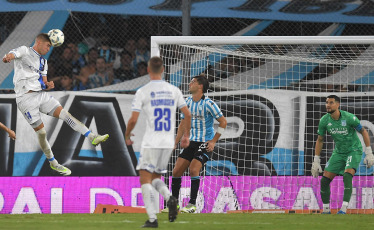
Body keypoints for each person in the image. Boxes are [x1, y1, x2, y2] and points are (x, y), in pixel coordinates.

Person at [2, 33, 109, 176]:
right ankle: (53, 163)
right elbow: (12, 54)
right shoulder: (25, 51)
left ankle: (92, 137)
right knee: (42, 133)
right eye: (47, 45)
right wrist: (8, 57)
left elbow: (44, 82)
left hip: (40, 95)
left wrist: (48, 84)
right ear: (39, 42)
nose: (48, 49)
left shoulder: (43, 62)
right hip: (25, 99)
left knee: (65, 114)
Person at [125, 56, 191, 228]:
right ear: (163, 70)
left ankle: (153, 219)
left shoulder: (143, 91)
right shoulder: (174, 90)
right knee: (156, 177)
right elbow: (187, 114)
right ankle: (170, 198)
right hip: (168, 142)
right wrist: (186, 136)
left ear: (148, 70)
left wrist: (127, 134)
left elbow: (133, 119)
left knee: (144, 178)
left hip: (152, 141)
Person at [166, 74, 227, 213]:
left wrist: (213, 141)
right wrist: (176, 142)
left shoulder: (209, 104)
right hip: (191, 142)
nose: (189, 84)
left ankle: (192, 204)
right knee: (176, 171)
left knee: (193, 169)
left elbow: (223, 122)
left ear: (200, 86)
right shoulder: (187, 101)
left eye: (192, 82)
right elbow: (183, 123)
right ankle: (174, 205)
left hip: (205, 142)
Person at [312, 95, 374, 214]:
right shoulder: (324, 120)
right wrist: (316, 160)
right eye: (326, 103)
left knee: (347, 175)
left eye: (331, 102)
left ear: (338, 104)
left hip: (354, 150)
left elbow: (363, 131)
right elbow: (320, 140)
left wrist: (369, 153)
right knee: (324, 180)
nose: (327, 105)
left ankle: (343, 209)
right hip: (339, 152)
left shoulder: (349, 118)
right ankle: (326, 210)